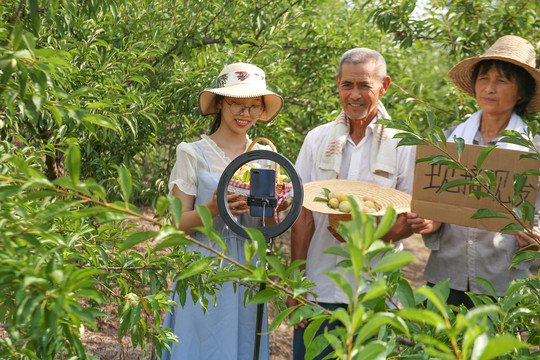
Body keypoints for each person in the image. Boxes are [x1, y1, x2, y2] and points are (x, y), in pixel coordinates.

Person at [287, 48, 416, 360]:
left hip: (373, 291)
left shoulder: (403, 143)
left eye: (364, 86)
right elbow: (302, 218)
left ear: (384, 85)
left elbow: (408, 218)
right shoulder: (318, 140)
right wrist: (295, 285)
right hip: (320, 286)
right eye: (348, 85)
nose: (355, 95)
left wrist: (368, 237)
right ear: (337, 84)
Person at [406, 35, 540, 309]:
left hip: (501, 282)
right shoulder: (448, 142)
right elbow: (437, 207)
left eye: (501, 81)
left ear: (521, 93)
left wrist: (535, 237)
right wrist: (431, 222)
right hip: (445, 276)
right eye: (484, 79)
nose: (490, 88)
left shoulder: (533, 150)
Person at [161, 62, 283, 360]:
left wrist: (276, 206)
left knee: (243, 345)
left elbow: (269, 224)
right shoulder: (192, 153)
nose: (246, 114)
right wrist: (214, 207)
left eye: (255, 106)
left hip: (248, 269)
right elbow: (178, 225)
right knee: (201, 346)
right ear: (219, 104)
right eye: (237, 105)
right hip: (204, 267)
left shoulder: (266, 157)